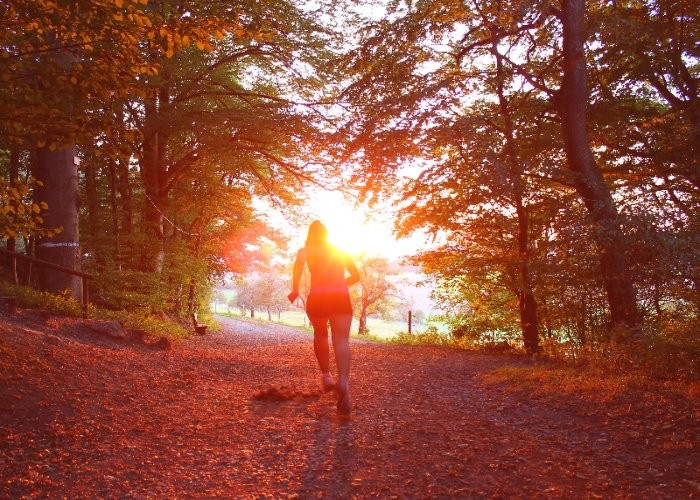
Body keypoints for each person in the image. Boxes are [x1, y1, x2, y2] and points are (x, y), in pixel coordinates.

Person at [288, 220, 360, 415]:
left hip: (318, 297)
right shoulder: (340, 250)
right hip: (340, 297)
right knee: (342, 340)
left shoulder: (305, 251)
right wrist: (339, 283)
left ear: (310, 234)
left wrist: (294, 290)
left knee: (320, 334)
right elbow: (356, 275)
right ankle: (343, 382)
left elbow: (297, 270)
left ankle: (327, 376)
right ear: (327, 234)